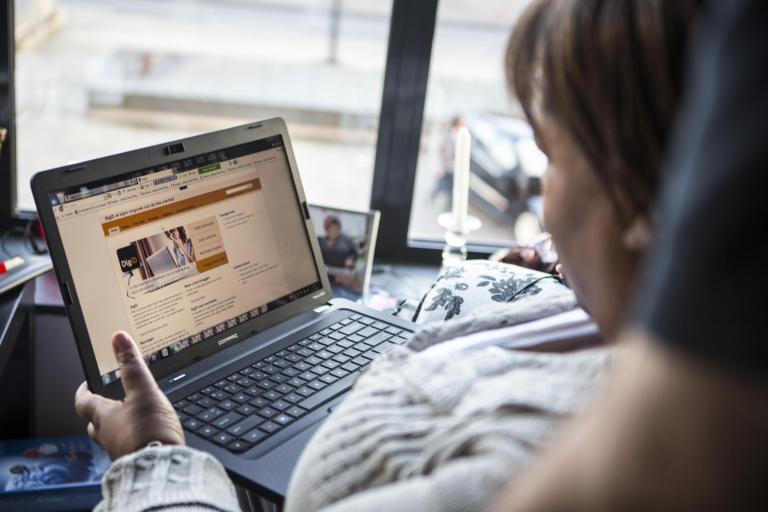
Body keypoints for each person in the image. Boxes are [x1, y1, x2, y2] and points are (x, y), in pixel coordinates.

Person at [73, 0, 716, 510]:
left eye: (550, 159)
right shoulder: (604, 327)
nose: (545, 212)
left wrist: (152, 459)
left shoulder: (551, 464)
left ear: (641, 199)